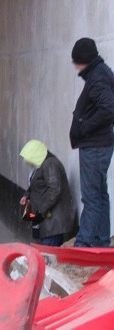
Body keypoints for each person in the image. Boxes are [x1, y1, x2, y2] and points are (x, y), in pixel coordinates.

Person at [69, 38, 114, 247]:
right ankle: (101, 241)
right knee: (100, 195)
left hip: (95, 146)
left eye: (76, 61)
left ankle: (85, 243)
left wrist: (83, 127)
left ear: (84, 60)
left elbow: (108, 109)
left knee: (92, 197)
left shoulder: (97, 78)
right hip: (99, 144)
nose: (75, 66)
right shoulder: (100, 73)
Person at [20, 140, 76, 246]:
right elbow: (37, 184)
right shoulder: (42, 164)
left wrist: (41, 211)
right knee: (46, 252)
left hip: (53, 222)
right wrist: (26, 195)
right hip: (48, 219)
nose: (28, 163)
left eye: (28, 159)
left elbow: (55, 190)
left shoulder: (50, 165)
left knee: (48, 252)